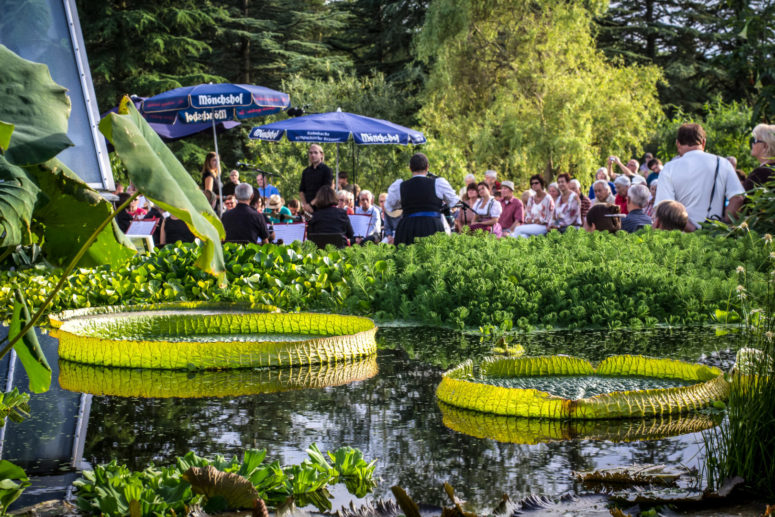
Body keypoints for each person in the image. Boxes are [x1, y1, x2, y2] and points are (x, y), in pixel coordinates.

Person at [654, 123, 745, 229]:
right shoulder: (722, 163)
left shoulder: (669, 168)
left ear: (678, 144)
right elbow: (738, 198)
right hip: (715, 235)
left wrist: (694, 230)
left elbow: (665, 209)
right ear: (703, 142)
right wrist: (724, 224)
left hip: (681, 237)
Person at [386, 153, 459, 245]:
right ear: (427, 167)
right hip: (432, 226)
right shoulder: (438, 183)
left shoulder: (400, 186)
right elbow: (453, 201)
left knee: (407, 256)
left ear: (410, 168)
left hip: (408, 227)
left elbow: (389, 206)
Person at [299, 144, 334, 215]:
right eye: (310, 153)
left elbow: (325, 191)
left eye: (315, 152)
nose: (313, 155)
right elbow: (301, 190)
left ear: (321, 154)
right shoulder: (305, 171)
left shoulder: (327, 170)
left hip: (323, 208)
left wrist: (311, 204)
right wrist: (305, 205)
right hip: (308, 210)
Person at [744, 123, 775, 190]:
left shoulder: (759, 175)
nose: (752, 144)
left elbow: (746, 198)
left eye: (755, 140)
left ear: (765, 146)